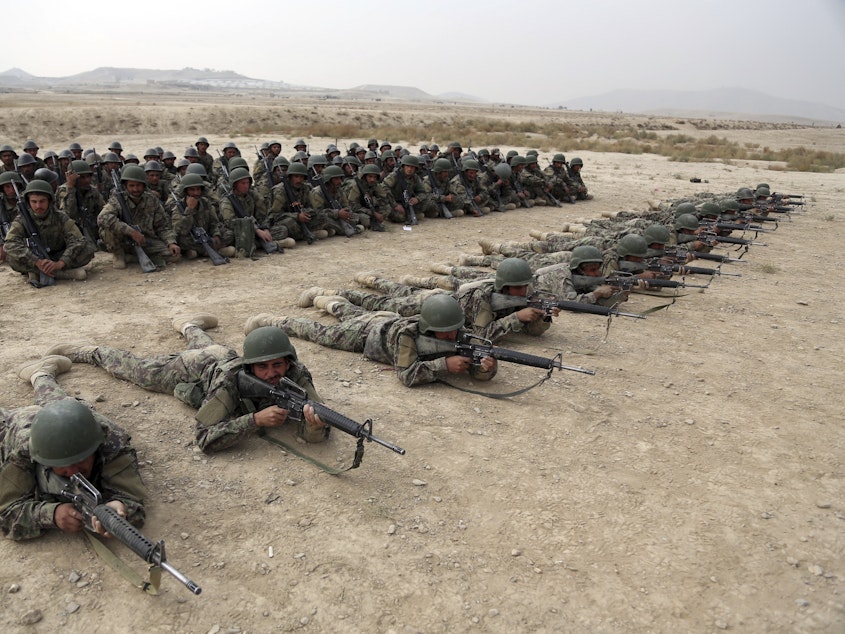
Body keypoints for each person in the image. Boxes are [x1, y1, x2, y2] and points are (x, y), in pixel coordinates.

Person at [47, 315, 328, 453]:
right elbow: (204, 437)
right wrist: (254, 420)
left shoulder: (297, 373)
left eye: (277, 365)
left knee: (212, 349)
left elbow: (317, 412)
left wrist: (315, 427)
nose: (270, 373)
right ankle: (90, 351)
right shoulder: (231, 380)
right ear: (250, 366)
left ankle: (190, 326)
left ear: (289, 362)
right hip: (194, 369)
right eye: (262, 367)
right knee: (139, 371)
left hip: (221, 356)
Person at [1, 355, 146, 540]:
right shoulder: (25, 450)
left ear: (95, 450)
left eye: (79, 461)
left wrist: (120, 507)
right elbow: (6, 513)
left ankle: (41, 373)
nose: (71, 471)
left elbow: (133, 500)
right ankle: (39, 375)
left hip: (69, 415)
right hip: (18, 424)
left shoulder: (111, 443)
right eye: (61, 465)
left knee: (59, 404)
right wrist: (51, 514)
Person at [245, 294, 497, 388]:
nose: (451, 337)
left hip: (388, 319)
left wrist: (486, 368)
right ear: (429, 327)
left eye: (454, 331)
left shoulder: (455, 329)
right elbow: (406, 375)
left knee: (350, 312)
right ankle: (277, 320)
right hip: (369, 332)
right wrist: (445, 365)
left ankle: (328, 300)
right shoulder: (408, 335)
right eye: (444, 333)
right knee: (324, 334)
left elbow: (478, 365)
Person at [4, 180, 95, 284]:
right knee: (11, 258)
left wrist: (61, 262)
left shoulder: (60, 217)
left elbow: (78, 240)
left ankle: (41, 273)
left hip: (58, 255)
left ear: (49, 201)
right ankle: (59, 273)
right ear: (28, 202)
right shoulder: (22, 220)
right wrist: (36, 261)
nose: (38, 206)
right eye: (34, 202)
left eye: (42, 201)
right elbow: (10, 243)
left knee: (88, 249)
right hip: (35, 258)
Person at [97, 165, 180, 269]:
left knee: (174, 255)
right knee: (107, 228)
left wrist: (171, 242)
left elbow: (162, 226)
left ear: (144, 185)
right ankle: (119, 254)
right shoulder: (118, 199)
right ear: (126, 186)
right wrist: (131, 232)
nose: (135, 189)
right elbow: (102, 217)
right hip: (123, 240)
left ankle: (132, 258)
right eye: (131, 186)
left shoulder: (152, 200)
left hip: (144, 240)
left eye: (138, 185)